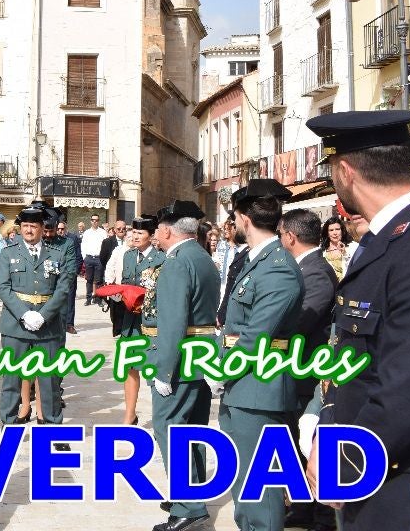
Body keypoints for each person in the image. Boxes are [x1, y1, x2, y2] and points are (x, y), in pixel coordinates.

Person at [296, 110, 410, 531]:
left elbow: (406, 386)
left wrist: (351, 461)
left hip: (399, 477)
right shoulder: (385, 240)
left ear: (345, 171)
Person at [218, 179, 303, 531]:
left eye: (234, 217)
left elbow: (255, 336)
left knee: (259, 487)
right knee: (244, 481)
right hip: (243, 383)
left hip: (259, 385)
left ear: (242, 218)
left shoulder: (278, 265)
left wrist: (216, 369)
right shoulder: (257, 259)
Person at [143, 200, 220, 531]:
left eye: (159, 229)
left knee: (169, 427)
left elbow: (173, 321)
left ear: (169, 230)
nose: (156, 234)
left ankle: (190, 505)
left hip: (179, 358)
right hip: (200, 354)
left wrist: (164, 371)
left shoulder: (176, 263)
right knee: (193, 430)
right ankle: (190, 492)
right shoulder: (202, 257)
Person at [278, 208, 337, 531]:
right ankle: (301, 508)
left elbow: (300, 322)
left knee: (313, 444)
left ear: (291, 236)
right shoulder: (302, 268)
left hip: (309, 373)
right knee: (294, 443)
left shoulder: (315, 272)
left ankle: (323, 516)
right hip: (294, 371)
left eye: (281, 234)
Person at [0, 206, 75, 428]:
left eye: (33, 226)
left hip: (47, 325)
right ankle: (9, 424)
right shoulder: (8, 253)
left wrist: (44, 315)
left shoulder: (57, 254)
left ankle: (51, 428)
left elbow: (63, 288)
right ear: (20, 228)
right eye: (25, 226)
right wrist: (24, 314)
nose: (29, 230)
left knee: (49, 379)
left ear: (42, 228)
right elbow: (3, 288)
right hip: (15, 325)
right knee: (12, 377)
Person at [112, 216, 160, 424]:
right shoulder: (129, 256)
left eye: (141, 233)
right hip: (130, 320)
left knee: (151, 367)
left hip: (151, 321)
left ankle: (159, 414)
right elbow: (125, 282)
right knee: (129, 367)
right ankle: (129, 414)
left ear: (152, 235)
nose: (135, 236)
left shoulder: (161, 258)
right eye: (134, 233)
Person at [80, 213, 107, 305]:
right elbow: (83, 246)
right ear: (90, 221)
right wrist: (85, 258)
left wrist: (103, 258)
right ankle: (88, 299)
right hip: (89, 258)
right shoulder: (87, 232)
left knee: (99, 281)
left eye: (96, 220)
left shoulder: (103, 232)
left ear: (98, 221)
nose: (95, 222)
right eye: (93, 220)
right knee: (89, 280)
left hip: (99, 259)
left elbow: (105, 246)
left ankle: (99, 299)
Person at [319, 215, 350, 281]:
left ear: (342, 230)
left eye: (337, 229)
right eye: (331, 230)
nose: (335, 233)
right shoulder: (321, 250)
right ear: (327, 233)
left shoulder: (352, 246)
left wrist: (345, 254)